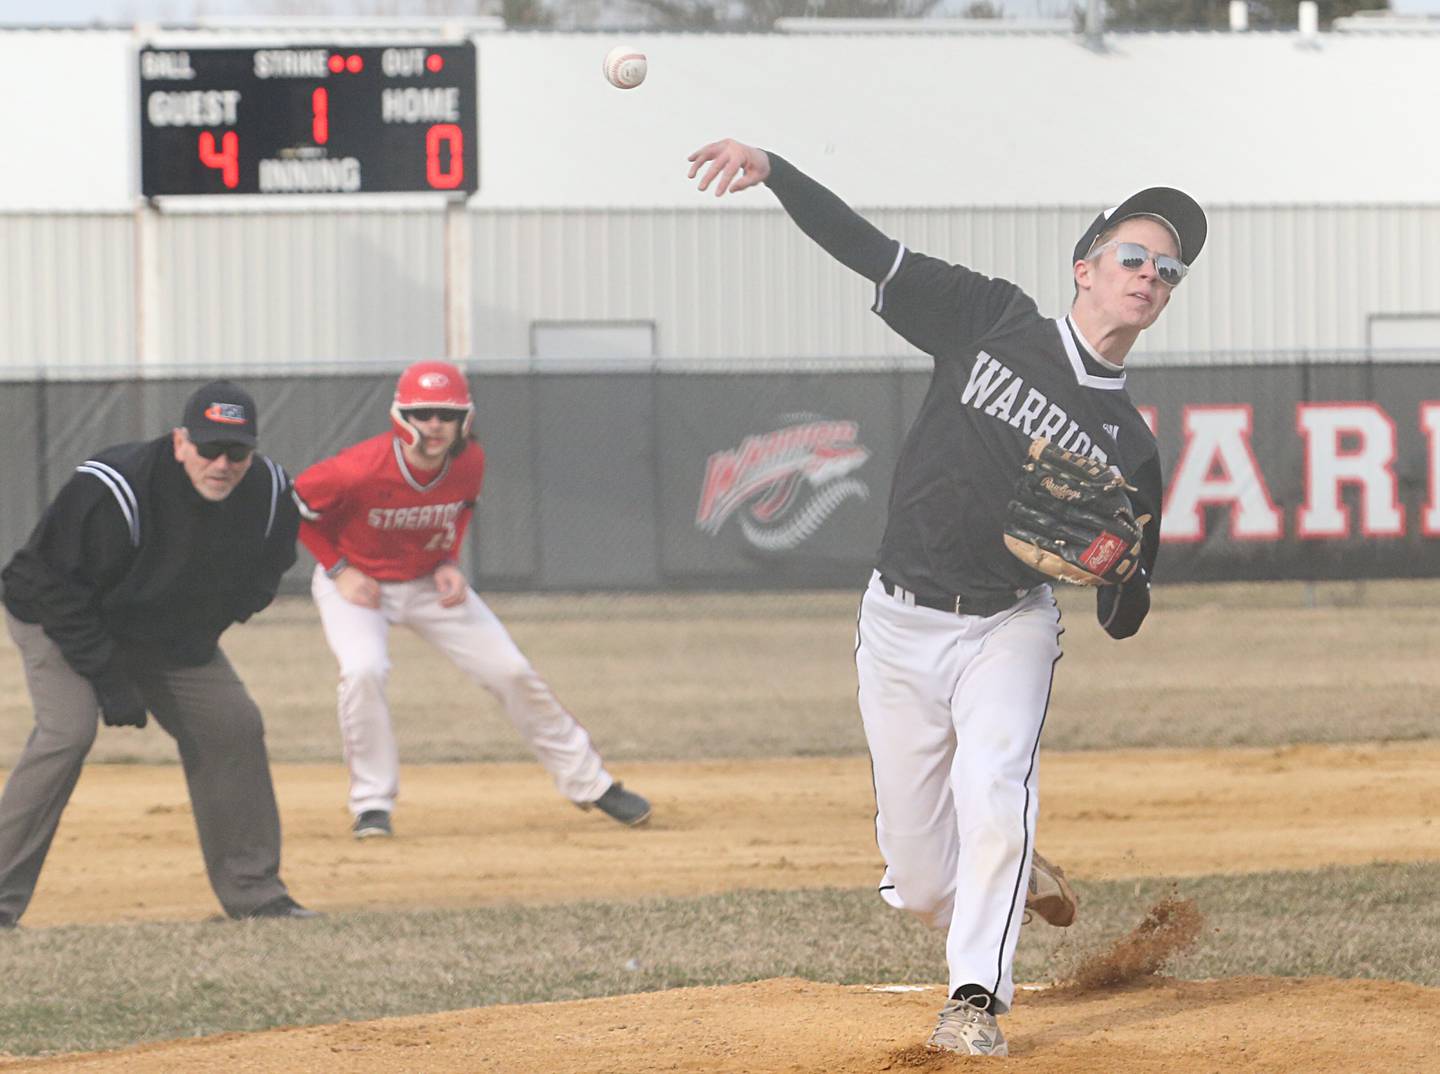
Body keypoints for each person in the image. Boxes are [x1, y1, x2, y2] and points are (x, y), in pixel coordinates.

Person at [687, 139, 1205, 1055]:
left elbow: (1125, 616)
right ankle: (1006, 871)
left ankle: (975, 1002)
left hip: (1008, 623)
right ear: (1084, 268)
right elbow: (869, 250)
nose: (1151, 276)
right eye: (1135, 256)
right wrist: (773, 169)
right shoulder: (990, 317)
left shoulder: (1130, 445)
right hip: (897, 618)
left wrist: (1122, 573)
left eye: (1169, 270)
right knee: (924, 883)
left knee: (995, 790)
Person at [291, 361, 651, 840]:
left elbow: (459, 511)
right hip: (358, 585)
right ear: (401, 416)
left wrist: (447, 561)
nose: (435, 425)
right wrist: (338, 569)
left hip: (424, 581)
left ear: (465, 418)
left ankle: (592, 785)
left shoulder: (469, 462)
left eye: (446, 413)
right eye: (423, 414)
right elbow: (294, 506)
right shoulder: (357, 468)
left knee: (511, 670)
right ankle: (372, 805)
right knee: (363, 670)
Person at [0, 381, 316, 927]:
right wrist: (108, 677)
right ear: (180, 442)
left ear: (253, 451)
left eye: (236, 451)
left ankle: (256, 895)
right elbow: (55, 586)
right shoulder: (116, 485)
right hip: (57, 614)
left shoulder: (269, 493)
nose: (221, 463)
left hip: (160, 630)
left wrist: (202, 629)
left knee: (233, 725)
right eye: (208, 447)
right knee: (68, 731)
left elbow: (265, 572)